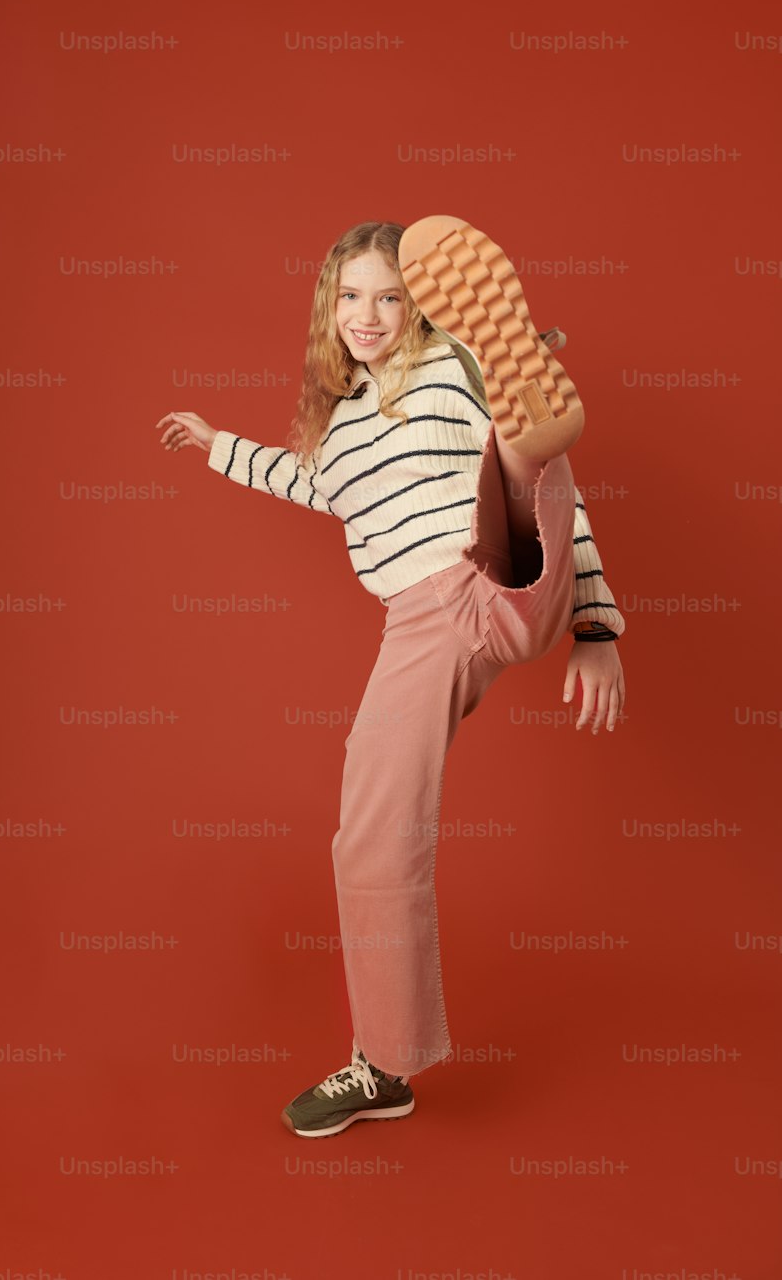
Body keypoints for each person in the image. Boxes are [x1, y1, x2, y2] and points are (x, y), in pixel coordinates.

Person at [155, 216, 627, 1139]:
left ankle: (529, 409)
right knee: (367, 840)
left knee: (525, 451)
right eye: (351, 297)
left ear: (420, 311)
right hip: (423, 631)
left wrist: (596, 627)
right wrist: (216, 444)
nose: (367, 314)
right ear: (330, 309)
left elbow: (570, 512)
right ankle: (387, 1064)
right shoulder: (337, 431)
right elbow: (305, 482)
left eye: (390, 297)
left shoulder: (448, 372)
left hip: (501, 572)